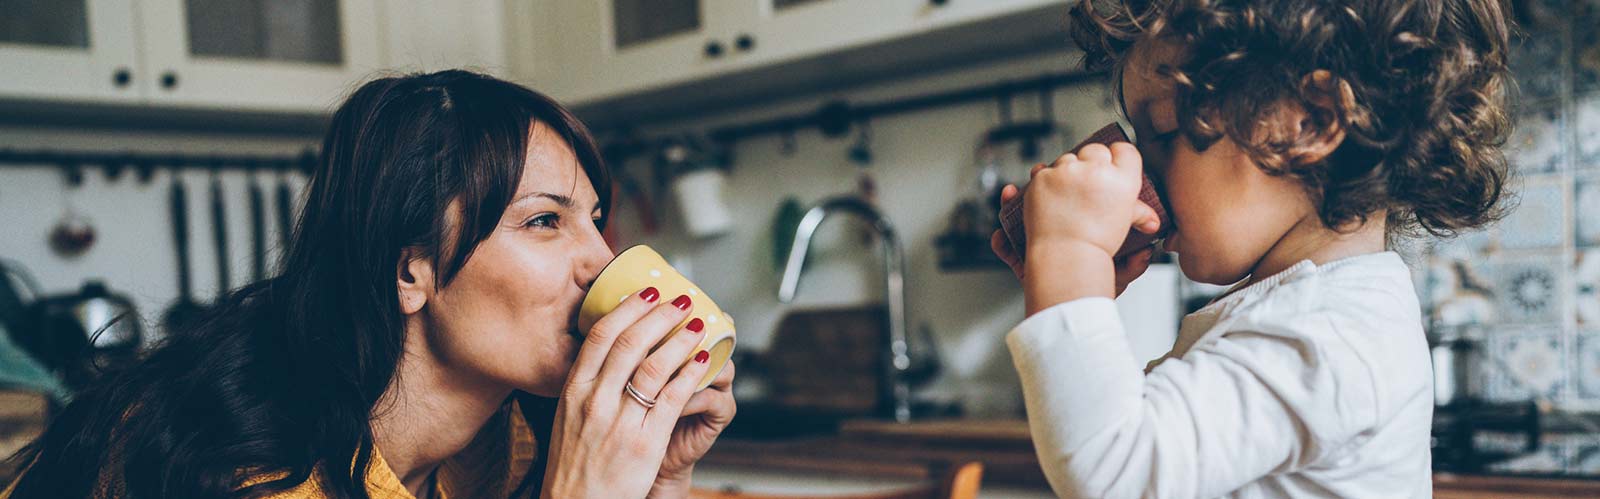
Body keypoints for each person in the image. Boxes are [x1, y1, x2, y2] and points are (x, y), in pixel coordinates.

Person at [2, 70, 735, 499]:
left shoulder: (502, 447)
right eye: (545, 220)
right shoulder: (252, 477)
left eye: (595, 219)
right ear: (408, 268)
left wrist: (655, 484)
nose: (601, 259)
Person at [990, 0, 1512, 497]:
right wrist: (1070, 284)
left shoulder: (1329, 334)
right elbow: (1136, 433)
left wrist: (1069, 251)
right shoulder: (1303, 313)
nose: (1141, 170)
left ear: (1310, 123)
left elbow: (1114, 467)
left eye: (1164, 132)